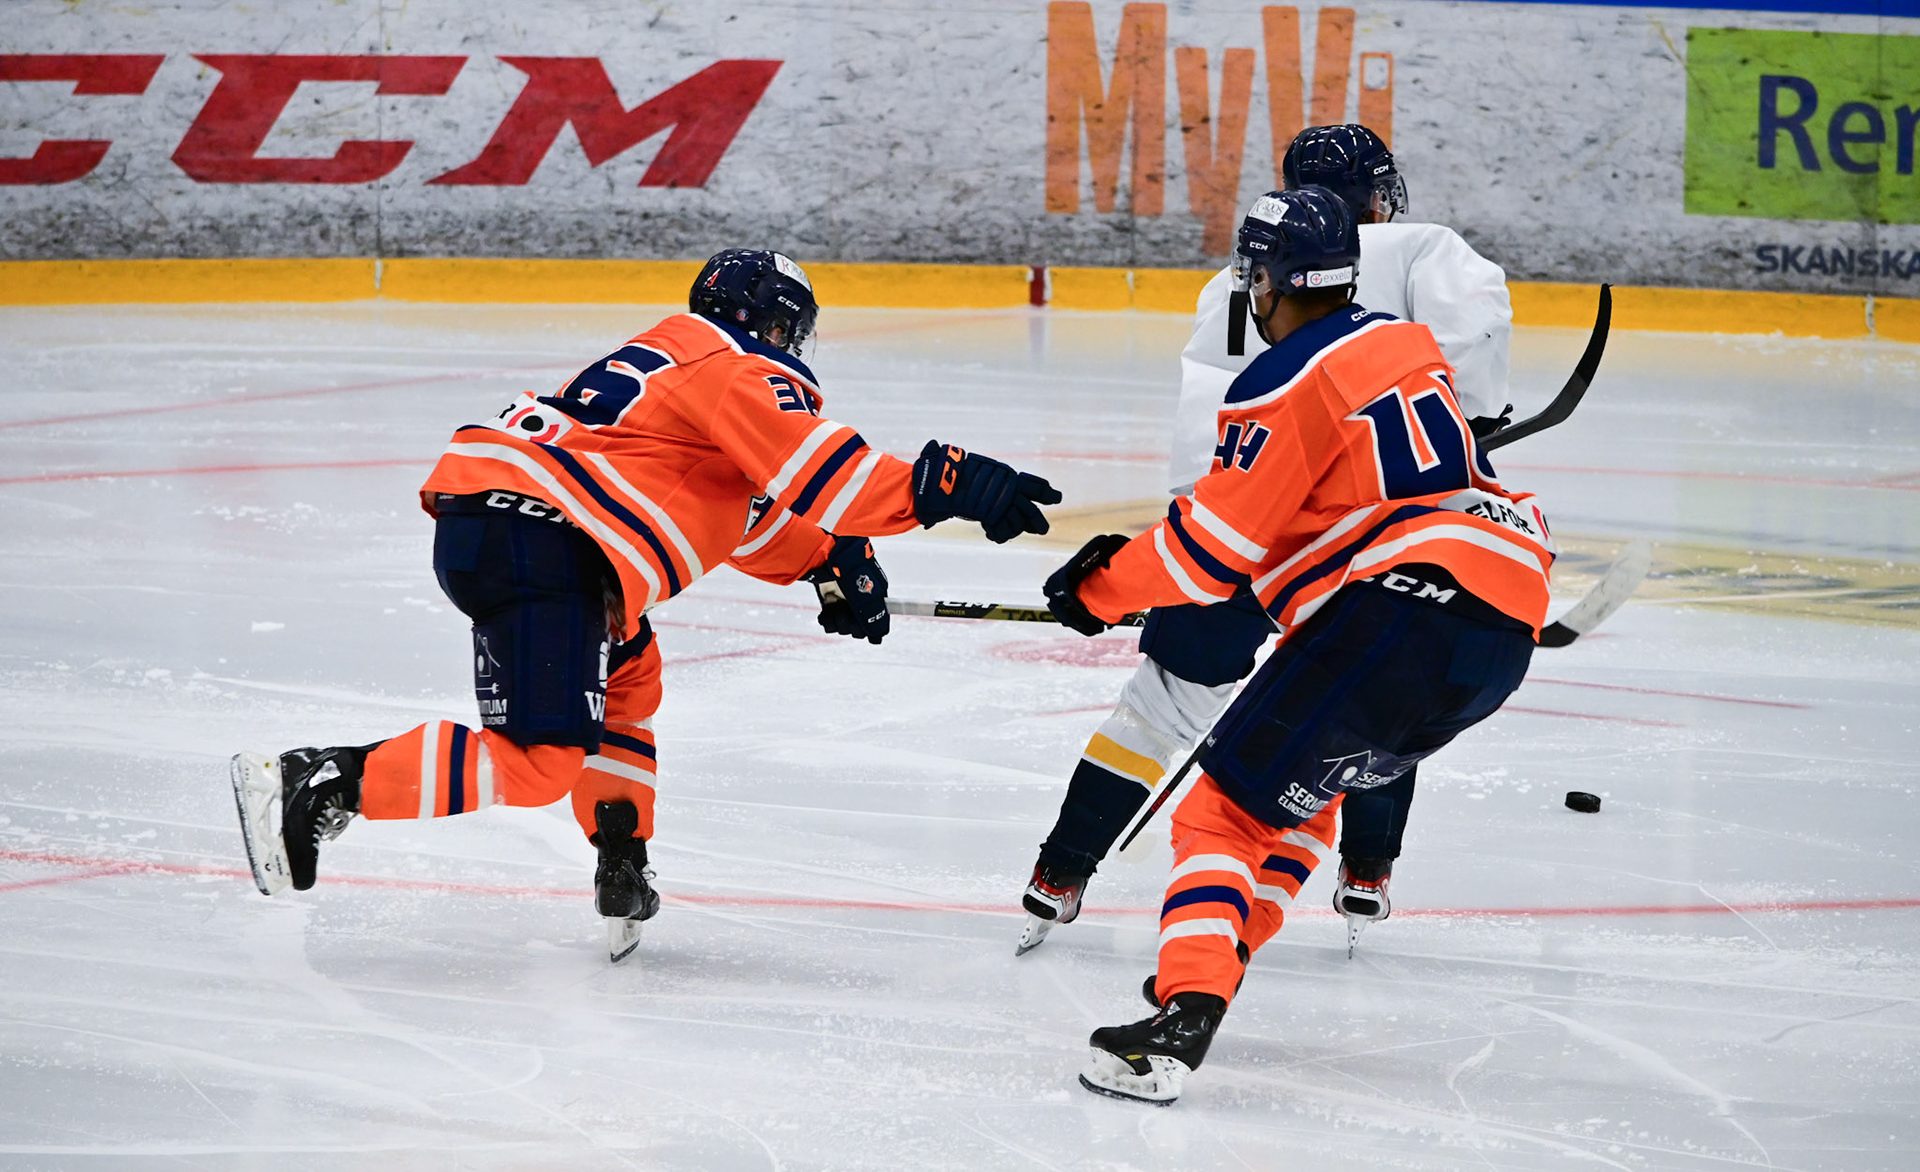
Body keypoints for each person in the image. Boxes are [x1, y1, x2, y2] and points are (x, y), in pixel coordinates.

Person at [231, 249, 1062, 960]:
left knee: (629, 674)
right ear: (767, 319)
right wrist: (952, 485)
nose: (793, 344)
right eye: (789, 327)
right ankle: (324, 781)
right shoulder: (734, 365)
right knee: (539, 761)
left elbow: (742, 512)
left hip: (522, 530)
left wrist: (830, 563)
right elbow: (829, 476)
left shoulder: (679, 371)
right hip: (546, 537)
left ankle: (620, 852)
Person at [1041, 187, 1552, 1104]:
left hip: (1400, 608)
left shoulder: (1282, 378)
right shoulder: (1409, 346)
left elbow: (1211, 549)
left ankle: (1181, 1020)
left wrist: (1098, 588)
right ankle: (1207, 970)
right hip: (1504, 619)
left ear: (1267, 281)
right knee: (1299, 812)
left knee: (1219, 818)